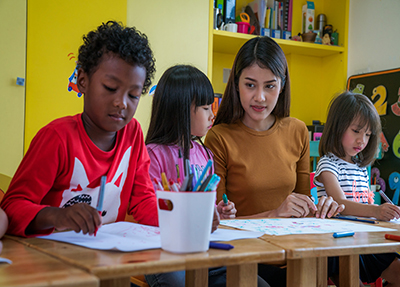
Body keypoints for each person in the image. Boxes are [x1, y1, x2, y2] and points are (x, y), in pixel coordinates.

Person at [204, 36, 344, 287]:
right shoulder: (219, 137)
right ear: (236, 84)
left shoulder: (298, 131)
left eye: (270, 86)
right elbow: (216, 225)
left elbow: (303, 208)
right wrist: (275, 214)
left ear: (282, 86)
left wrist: (322, 208)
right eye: (250, 85)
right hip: (243, 257)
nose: (260, 97)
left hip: (292, 252)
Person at [0, 21, 158, 237]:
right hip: (51, 259)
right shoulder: (57, 138)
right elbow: (12, 207)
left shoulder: (133, 134)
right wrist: (56, 216)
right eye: (111, 88)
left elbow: (144, 200)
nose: (122, 103)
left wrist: (182, 218)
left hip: (105, 255)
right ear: (82, 81)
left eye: (133, 95)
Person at [144, 64, 269, 287]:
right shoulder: (153, 155)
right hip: (165, 254)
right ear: (181, 109)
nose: (213, 115)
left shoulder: (205, 154)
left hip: (203, 249)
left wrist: (218, 212)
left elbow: (207, 206)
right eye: (205, 108)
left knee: (254, 282)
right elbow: (150, 212)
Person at [314, 91, 400, 286]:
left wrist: (387, 213)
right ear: (337, 127)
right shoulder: (328, 164)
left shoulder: (360, 167)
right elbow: (341, 204)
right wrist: (377, 210)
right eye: (356, 131)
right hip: (337, 245)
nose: (362, 140)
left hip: (362, 240)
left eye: (368, 134)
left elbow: (364, 204)